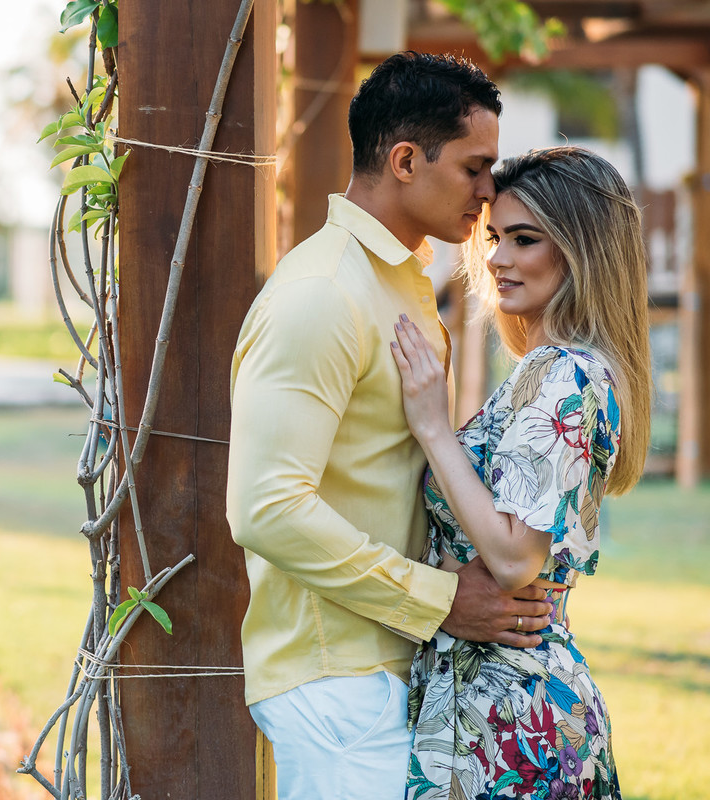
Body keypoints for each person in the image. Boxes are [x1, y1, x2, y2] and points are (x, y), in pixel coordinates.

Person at [225, 51, 553, 800]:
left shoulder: (399, 283)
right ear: (405, 160)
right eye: (475, 167)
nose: (488, 189)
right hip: (336, 680)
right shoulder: (320, 293)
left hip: (395, 667)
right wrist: (440, 599)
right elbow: (265, 507)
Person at [392, 146, 650, 800]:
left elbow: (513, 559)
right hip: (492, 707)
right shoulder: (554, 370)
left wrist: (432, 426)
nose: (498, 258)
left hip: (514, 725)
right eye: (495, 237)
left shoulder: (566, 374)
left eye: (525, 239)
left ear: (580, 250)